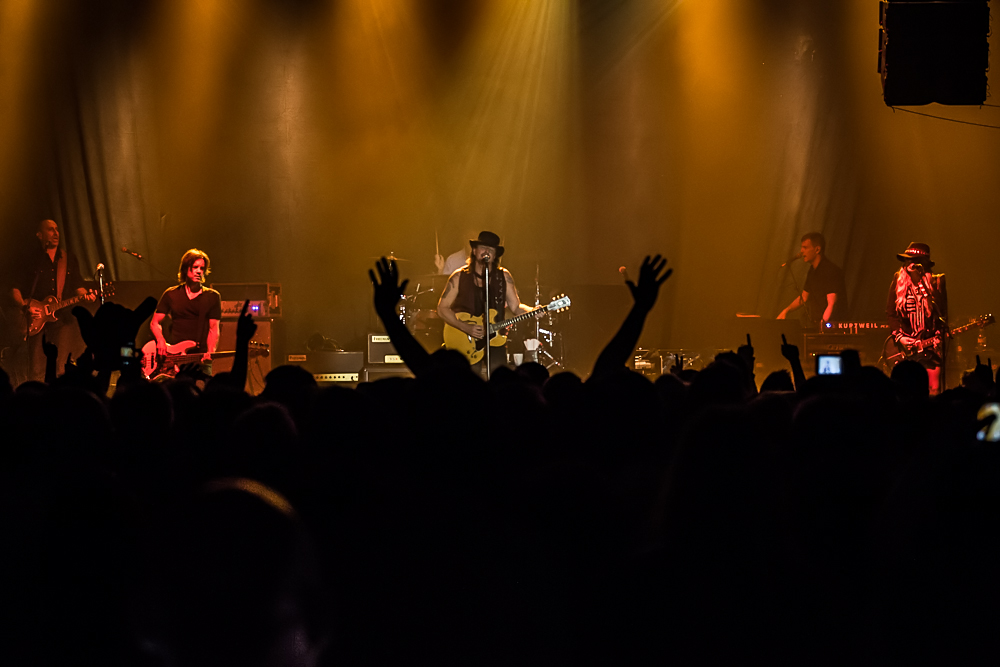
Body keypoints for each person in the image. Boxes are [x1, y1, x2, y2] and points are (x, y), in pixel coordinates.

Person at [437, 231, 537, 373]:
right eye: (483, 247)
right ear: (474, 250)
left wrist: (533, 311)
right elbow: (442, 308)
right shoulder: (459, 276)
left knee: (499, 378)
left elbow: (516, 306)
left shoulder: (504, 276)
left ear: (495, 255)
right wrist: (465, 327)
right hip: (464, 337)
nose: (487, 252)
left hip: (495, 338)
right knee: (469, 382)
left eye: (491, 249)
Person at [10, 219, 96, 382]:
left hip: (61, 318)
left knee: (61, 364)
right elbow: (15, 288)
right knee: (36, 366)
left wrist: (87, 296)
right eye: (50, 230)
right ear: (39, 235)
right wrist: (24, 305)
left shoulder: (68, 258)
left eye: (57, 229)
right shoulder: (30, 258)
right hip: (35, 318)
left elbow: (78, 286)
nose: (56, 233)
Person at [886, 242, 948, 395]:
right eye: (907, 259)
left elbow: (942, 313)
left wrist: (939, 335)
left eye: (914, 260)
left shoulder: (937, 282)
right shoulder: (898, 281)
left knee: (933, 389)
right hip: (905, 347)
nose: (909, 263)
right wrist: (900, 338)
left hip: (929, 345)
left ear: (924, 264)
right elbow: (890, 313)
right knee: (905, 389)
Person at [150, 249, 222, 374]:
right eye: (195, 267)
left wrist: (210, 351)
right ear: (185, 269)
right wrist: (160, 340)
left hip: (200, 357)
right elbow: (154, 323)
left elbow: (214, 328)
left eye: (202, 268)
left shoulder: (212, 296)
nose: (199, 271)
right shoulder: (171, 294)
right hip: (175, 357)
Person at [777, 232, 847, 327]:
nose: (801, 251)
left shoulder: (830, 270)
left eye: (805, 248)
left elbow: (831, 303)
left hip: (832, 326)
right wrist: (787, 310)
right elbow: (804, 297)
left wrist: (823, 325)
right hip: (819, 325)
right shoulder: (812, 271)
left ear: (817, 249)